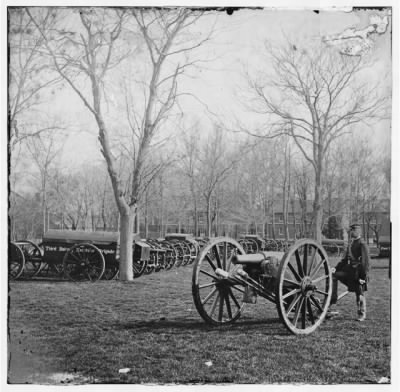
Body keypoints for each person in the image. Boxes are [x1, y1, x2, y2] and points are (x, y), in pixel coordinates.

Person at [329, 223, 370, 321]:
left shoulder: (362, 244)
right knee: (333, 276)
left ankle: (361, 313)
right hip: (349, 272)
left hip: (358, 273)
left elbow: (366, 262)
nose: (352, 232)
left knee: (359, 294)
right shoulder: (351, 244)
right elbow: (344, 260)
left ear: (358, 231)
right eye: (351, 230)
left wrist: (363, 277)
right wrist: (336, 268)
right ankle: (333, 297)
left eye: (354, 230)